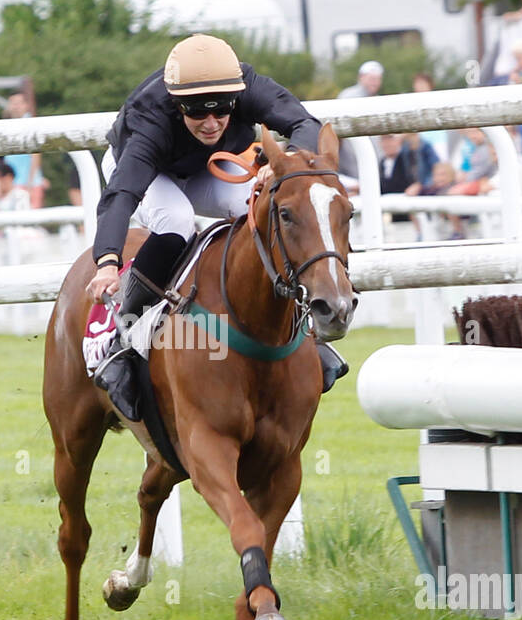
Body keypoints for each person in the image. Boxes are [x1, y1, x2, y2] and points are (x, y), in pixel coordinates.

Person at [87, 33, 346, 421]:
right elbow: (122, 195)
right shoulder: (150, 120)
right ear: (176, 105)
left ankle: (303, 327)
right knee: (176, 222)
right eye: (197, 112)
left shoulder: (248, 86)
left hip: (203, 165)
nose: (211, 122)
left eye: (221, 110)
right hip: (148, 173)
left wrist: (285, 162)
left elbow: (304, 123)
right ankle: (121, 342)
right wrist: (107, 260)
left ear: (236, 96)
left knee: (260, 209)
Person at [336, 60, 383, 177]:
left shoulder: (379, 101)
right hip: (350, 164)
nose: (375, 82)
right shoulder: (347, 96)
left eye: (377, 79)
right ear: (361, 77)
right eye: (371, 78)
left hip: (373, 164)